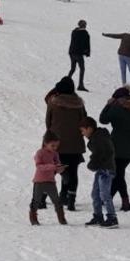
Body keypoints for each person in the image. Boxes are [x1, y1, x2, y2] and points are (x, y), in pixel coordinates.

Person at [45, 77, 88, 211]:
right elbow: (84, 120)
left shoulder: (53, 103)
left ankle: (41, 199)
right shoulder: (79, 104)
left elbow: (48, 122)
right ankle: (69, 200)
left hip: (56, 144)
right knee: (72, 172)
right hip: (75, 144)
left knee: (52, 171)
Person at [99, 87, 130, 212]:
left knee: (118, 174)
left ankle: (124, 200)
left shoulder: (117, 107)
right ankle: (111, 198)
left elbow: (103, 119)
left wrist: (108, 105)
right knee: (118, 173)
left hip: (118, 145)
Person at [80, 117, 118, 228]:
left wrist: (92, 164)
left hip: (106, 169)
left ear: (89, 128)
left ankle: (112, 218)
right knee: (95, 194)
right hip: (101, 169)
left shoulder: (99, 138)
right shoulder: (97, 137)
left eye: (83, 130)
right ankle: (98, 216)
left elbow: (101, 153)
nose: (82, 133)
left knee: (104, 194)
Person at [30, 131, 68, 226]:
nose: (55, 148)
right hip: (39, 181)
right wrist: (52, 167)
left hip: (50, 181)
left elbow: (57, 165)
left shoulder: (55, 154)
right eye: (52, 145)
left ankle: (61, 218)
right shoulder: (40, 153)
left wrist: (60, 169)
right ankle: (33, 218)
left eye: (56, 146)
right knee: (36, 200)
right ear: (45, 143)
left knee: (56, 200)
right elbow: (39, 166)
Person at [68, 20, 91, 91]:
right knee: (82, 69)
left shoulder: (74, 32)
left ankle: (67, 81)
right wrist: (87, 53)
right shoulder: (85, 33)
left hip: (72, 52)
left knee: (73, 68)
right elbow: (86, 44)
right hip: (78, 54)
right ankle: (80, 85)